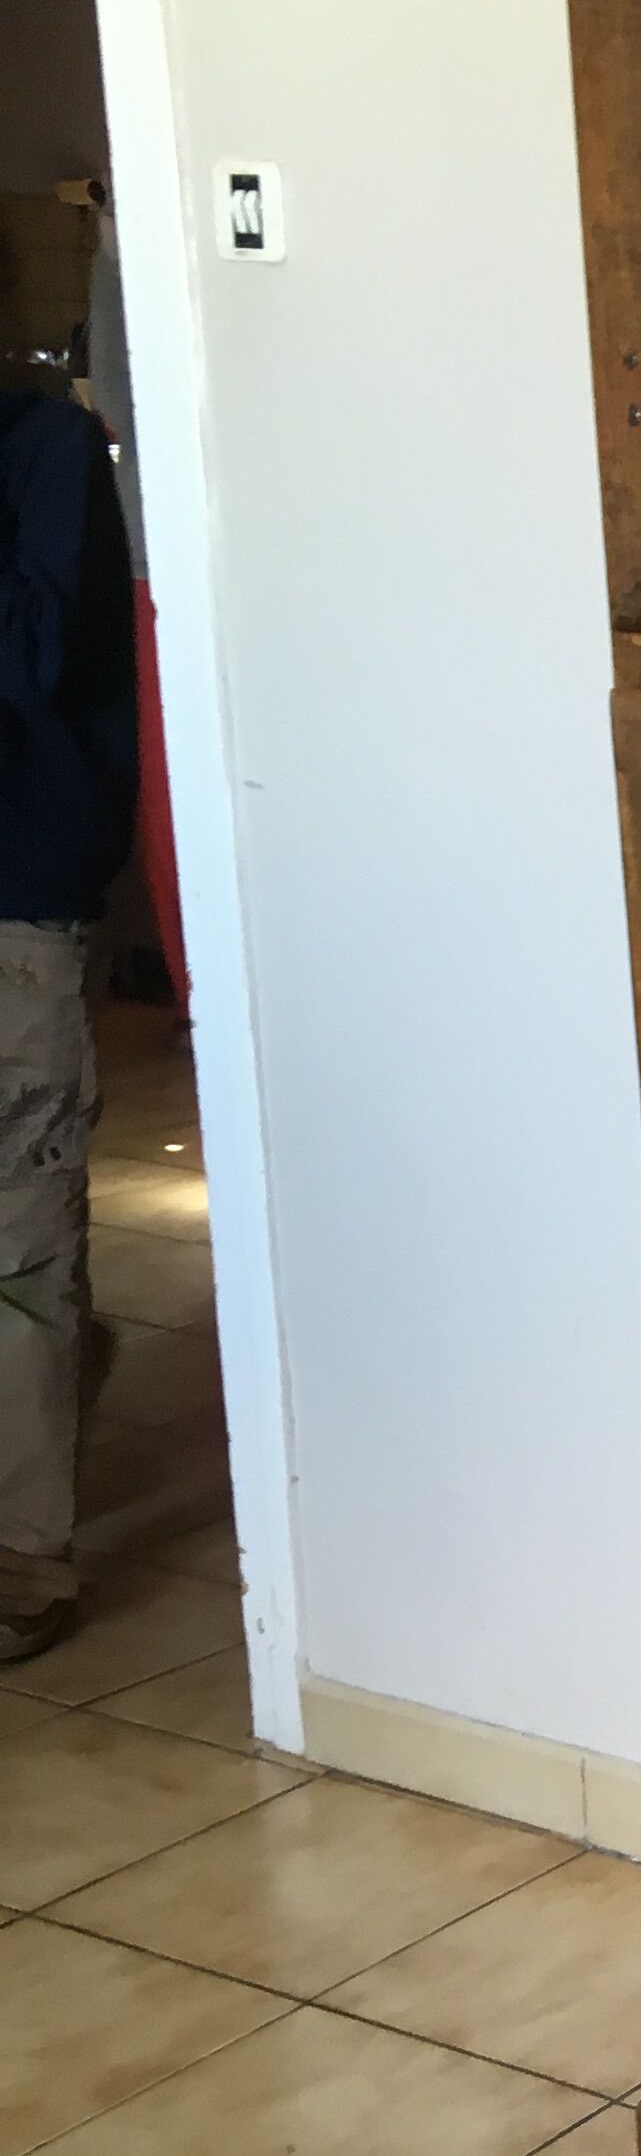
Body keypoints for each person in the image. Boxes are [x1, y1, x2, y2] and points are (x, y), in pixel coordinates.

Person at [0, 381, 138, 1660]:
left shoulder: (43, 443)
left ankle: (22, 1559)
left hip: (17, 889)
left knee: (20, 1225)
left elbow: (34, 662)